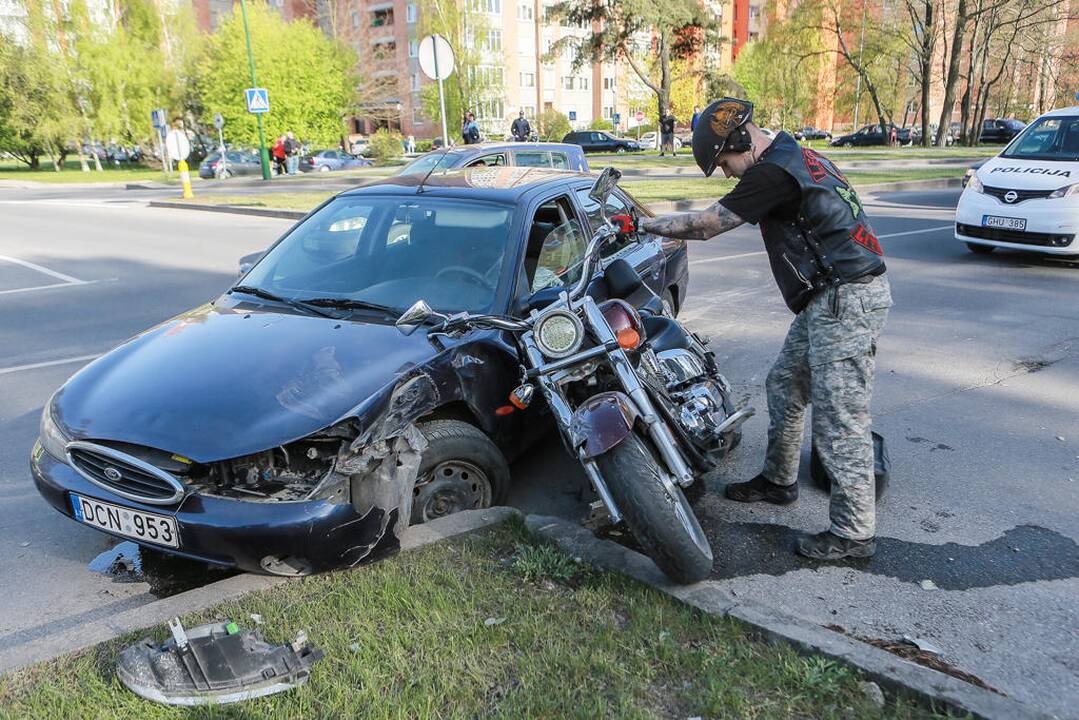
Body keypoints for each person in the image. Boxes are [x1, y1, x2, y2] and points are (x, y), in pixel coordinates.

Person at [639, 98, 893, 561]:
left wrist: (643, 223)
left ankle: (854, 533)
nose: (728, 172)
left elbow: (710, 223)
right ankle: (779, 481)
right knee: (785, 386)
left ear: (739, 141)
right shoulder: (792, 154)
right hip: (829, 298)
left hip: (846, 300)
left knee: (842, 417)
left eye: (724, 162)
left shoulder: (772, 172)